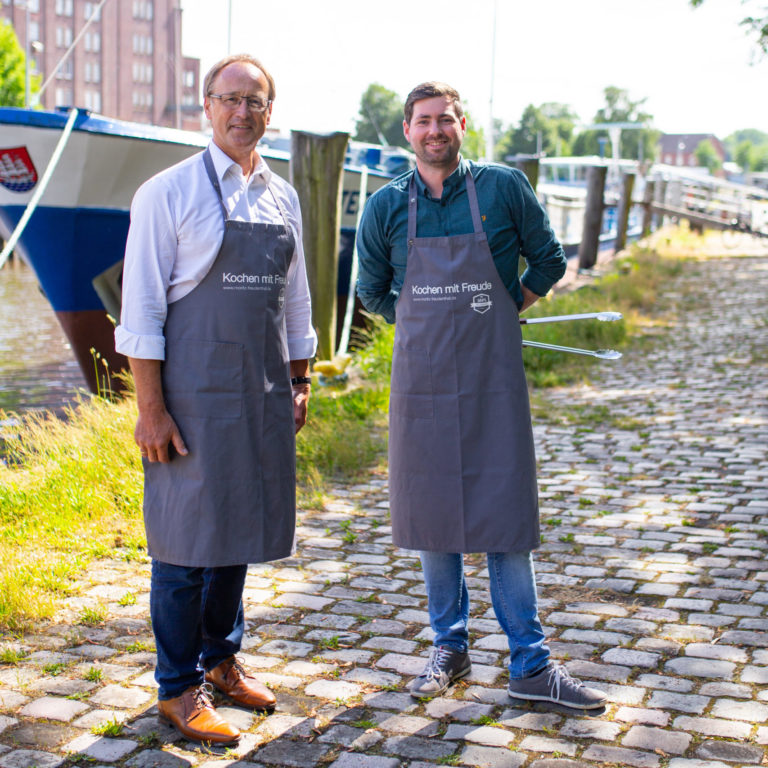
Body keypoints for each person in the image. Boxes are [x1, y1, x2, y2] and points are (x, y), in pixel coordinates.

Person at [356, 82, 606, 710]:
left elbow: (549, 260)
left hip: (493, 378)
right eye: (423, 121)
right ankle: (450, 646)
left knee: (505, 514)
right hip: (423, 384)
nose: (435, 130)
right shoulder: (385, 206)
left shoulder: (501, 188)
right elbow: (371, 291)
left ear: (462, 124)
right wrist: (423, 324)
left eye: (445, 119)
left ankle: (530, 662)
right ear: (407, 132)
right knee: (432, 515)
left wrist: (497, 310)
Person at [115, 54, 317, 744]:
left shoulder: (282, 196)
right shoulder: (165, 194)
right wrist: (150, 408)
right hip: (189, 397)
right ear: (206, 107)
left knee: (236, 534)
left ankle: (222, 659)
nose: (241, 113)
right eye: (229, 99)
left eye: (254, 102)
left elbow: (297, 301)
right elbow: (139, 313)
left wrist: (301, 378)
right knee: (180, 548)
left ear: (270, 111)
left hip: (259, 393)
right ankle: (178, 688)